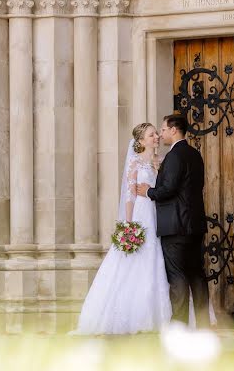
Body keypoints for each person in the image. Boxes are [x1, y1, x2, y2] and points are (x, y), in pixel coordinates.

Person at [73, 123, 172, 334]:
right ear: (141, 141)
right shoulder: (135, 163)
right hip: (141, 215)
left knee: (157, 257)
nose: (156, 137)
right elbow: (129, 196)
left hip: (157, 215)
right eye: (152, 134)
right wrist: (128, 225)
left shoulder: (159, 162)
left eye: (157, 133)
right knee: (137, 258)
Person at [136, 114, 211, 327]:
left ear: (174, 130)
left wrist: (149, 191)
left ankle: (179, 325)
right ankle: (203, 323)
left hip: (176, 226)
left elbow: (168, 189)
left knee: (177, 275)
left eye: (163, 129)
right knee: (197, 274)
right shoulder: (194, 154)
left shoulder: (175, 155)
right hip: (195, 224)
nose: (161, 134)